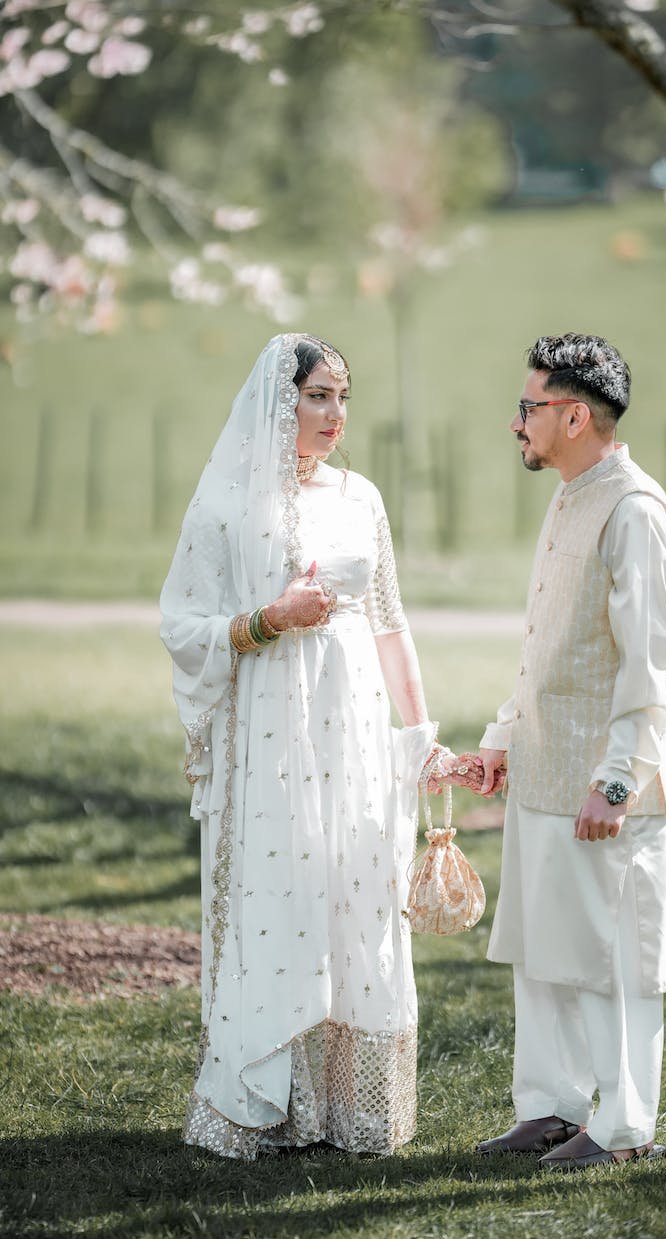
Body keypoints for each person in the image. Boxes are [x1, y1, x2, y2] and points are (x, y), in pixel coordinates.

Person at [160, 332, 479, 1160]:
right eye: (317, 397)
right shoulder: (227, 504)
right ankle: (270, 1101)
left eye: (343, 398)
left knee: (355, 884)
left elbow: (389, 624)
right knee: (281, 888)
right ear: (280, 404)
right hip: (271, 730)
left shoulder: (360, 497)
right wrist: (270, 619)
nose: (335, 414)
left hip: (356, 727)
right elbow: (182, 624)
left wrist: (420, 739)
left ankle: (349, 1110)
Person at [475, 333, 666, 1170]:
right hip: (545, 770)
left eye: (529, 407)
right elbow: (549, 644)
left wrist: (616, 781)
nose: (517, 422)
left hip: (606, 785)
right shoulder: (571, 494)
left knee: (612, 959)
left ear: (573, 417)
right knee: (542, 951)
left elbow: (649, 661)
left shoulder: (633, 509)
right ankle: (550, 1108)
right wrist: (503, 737)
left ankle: (623, 1127)